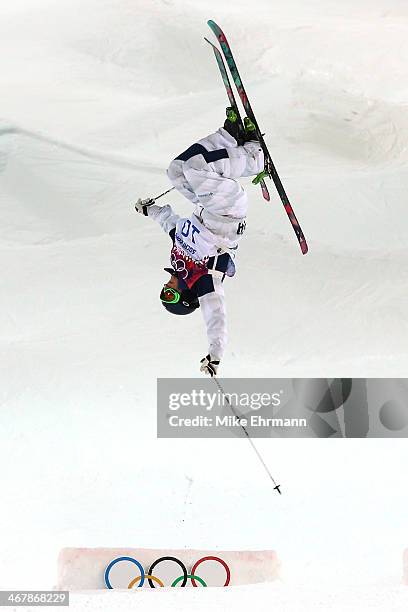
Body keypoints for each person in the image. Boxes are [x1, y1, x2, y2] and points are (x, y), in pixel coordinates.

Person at [135, 108, 264, 376]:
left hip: (206, 207)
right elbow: (216, 318)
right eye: (169, 294)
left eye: (163, 290)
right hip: (227, 211)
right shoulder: (203, 282)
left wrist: (151, 210)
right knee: (196, 168)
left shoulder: (178, 261)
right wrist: (214, 355)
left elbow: (171, 226)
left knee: (177, 171)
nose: (167, 286)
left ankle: (229, 136)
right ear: (185, 297)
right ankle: (254, 159)